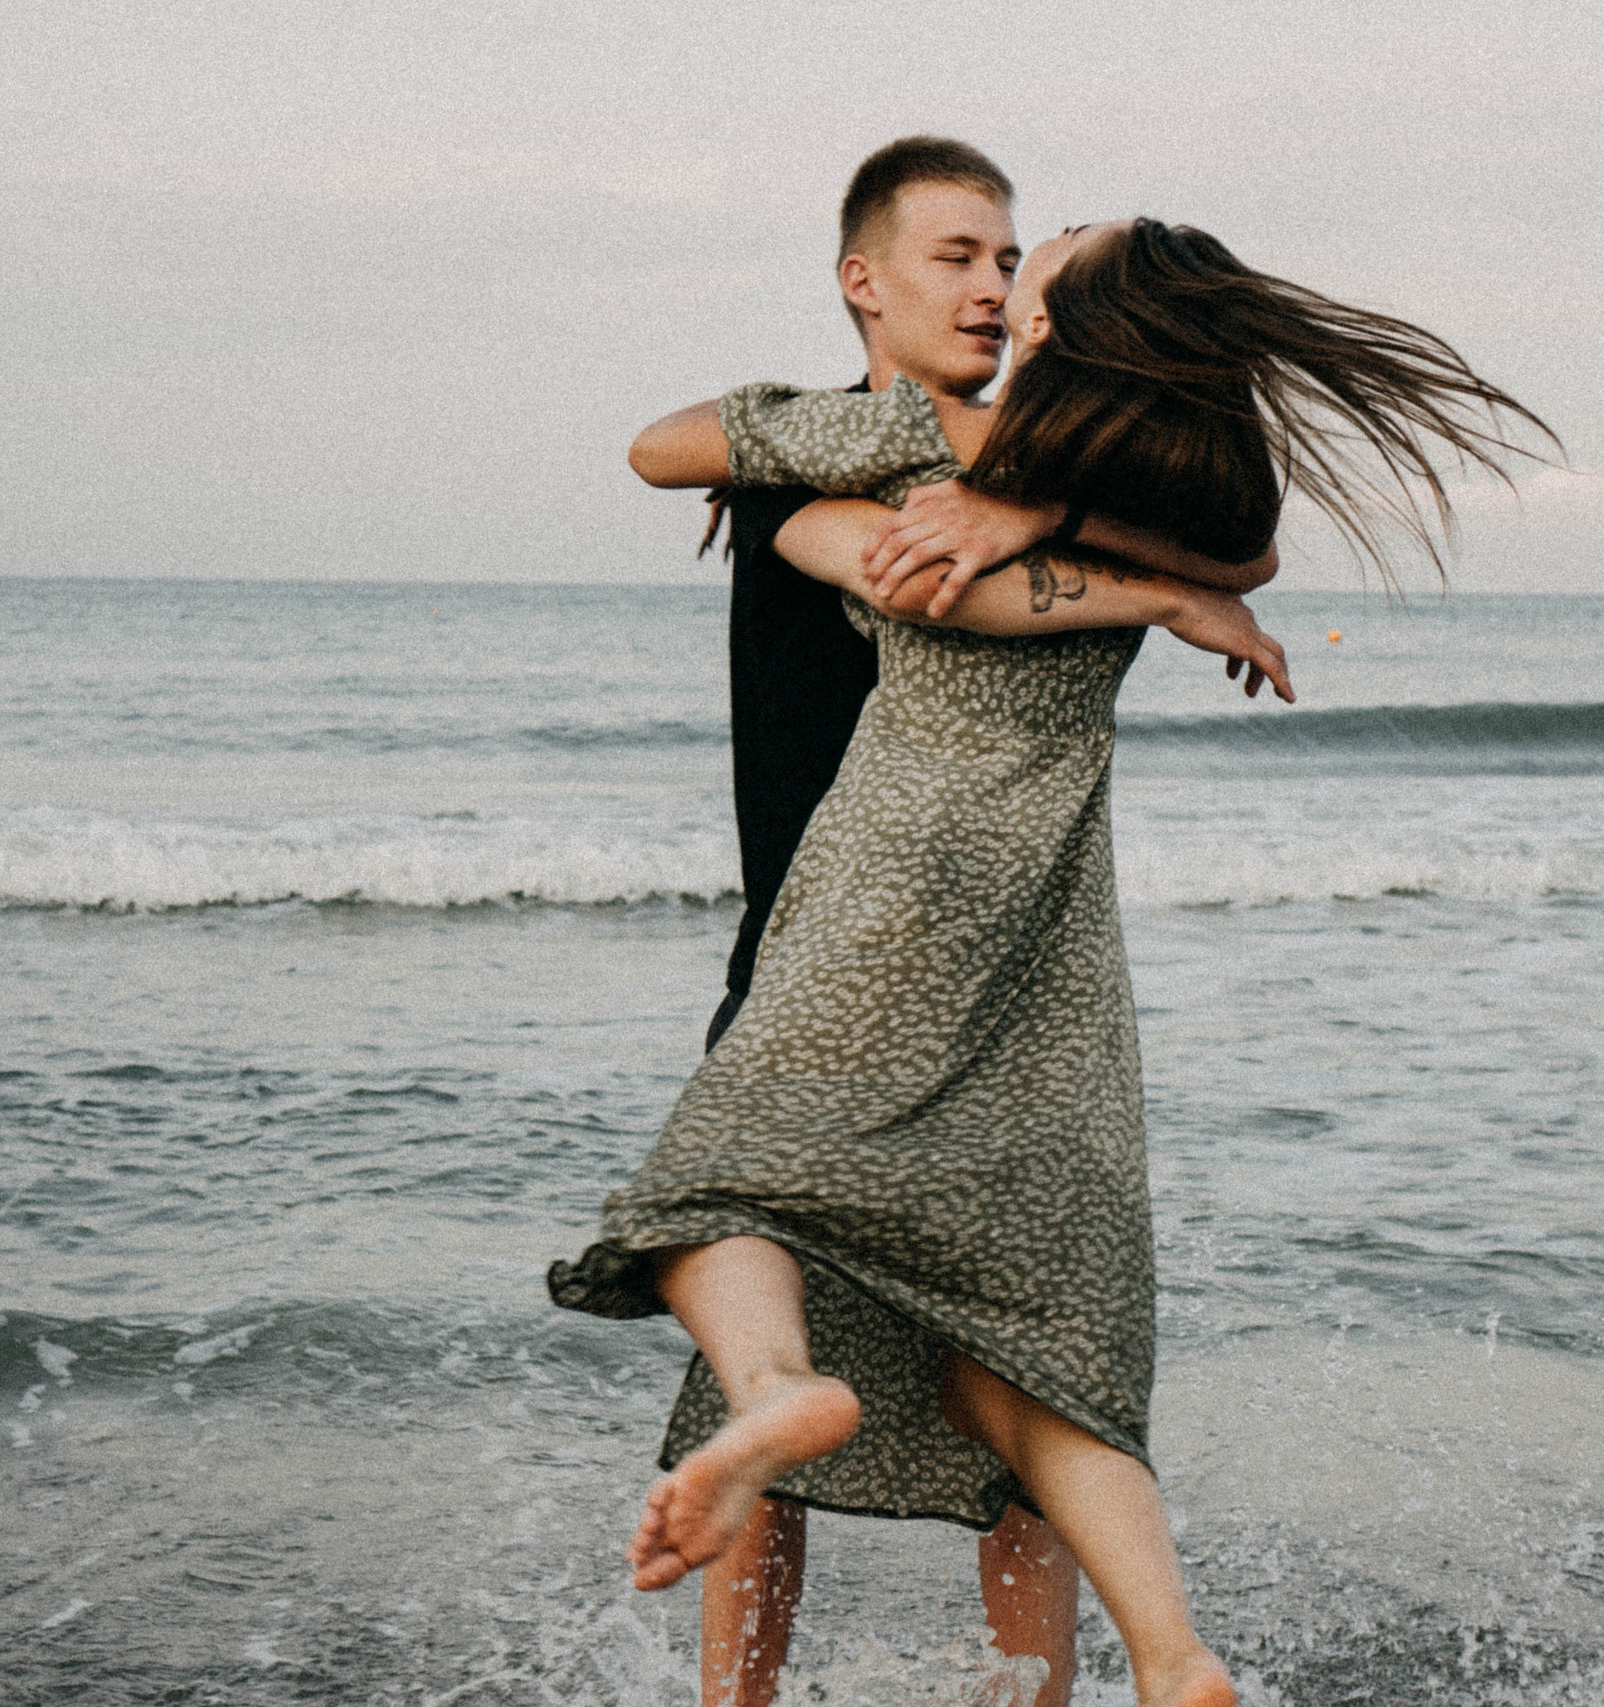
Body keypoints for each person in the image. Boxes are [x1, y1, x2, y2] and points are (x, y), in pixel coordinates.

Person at [573, 213, 1548, 1700]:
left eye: (1039, 250)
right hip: (1055, 946)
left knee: (710, 1195)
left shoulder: (942, 446)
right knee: (1035, 1355)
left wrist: (1000, 509)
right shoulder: (1152, 475)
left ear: (1052, 322)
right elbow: (1240, 547)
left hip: (894, 888)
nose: (1014, 265)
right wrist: (1147, 584)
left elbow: (827, 537)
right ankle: (1169, 1657)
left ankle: (777, 1392)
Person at [615, 138, 1289, 1707]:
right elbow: (667, 451)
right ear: (864, 282)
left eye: (1008, 259)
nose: (989, 284)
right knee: (978, 1370)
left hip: (876, 946)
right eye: (957, 256)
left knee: (821, 1321)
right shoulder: (831, 446)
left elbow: (1238, 541)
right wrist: (1094, 543)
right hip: (867, 940)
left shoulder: (1046, 461)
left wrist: (1021, 496)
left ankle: (1019, 1689)